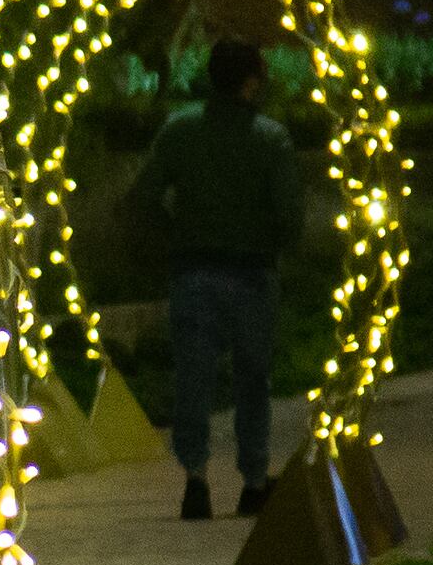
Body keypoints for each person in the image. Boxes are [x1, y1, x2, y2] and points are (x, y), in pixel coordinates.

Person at [124, 36, 308, 522]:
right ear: (250, 83)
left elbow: (143, 197)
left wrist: (177, 232)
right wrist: (273, 241)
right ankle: (252, 481)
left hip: (195, 270)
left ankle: (196, 481)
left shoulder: (180, 131)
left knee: (194, 381)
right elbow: (291, 217)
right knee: (253, 381)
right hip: (252, 273)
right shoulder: (271, 139)